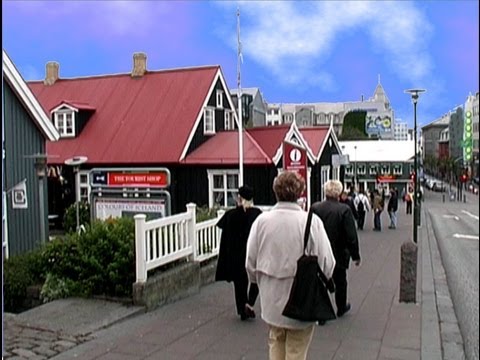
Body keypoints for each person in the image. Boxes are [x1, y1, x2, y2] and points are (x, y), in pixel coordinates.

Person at [246, 171, 335, 360]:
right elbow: (327, 262)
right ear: (300, 193)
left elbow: (250, 261)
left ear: (275, 192)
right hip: (302, 296)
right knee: (296, 348)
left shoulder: (261, 222)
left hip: (271, 296)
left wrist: (256, 281)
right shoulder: (311, 222)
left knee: (276, 341)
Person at [311, 180, 361, 321]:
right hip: (339, 252)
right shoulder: (344, 210)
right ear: (339, 193)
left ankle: (321, 311)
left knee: (320, 280)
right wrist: (355, 255)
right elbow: (351, 235)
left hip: (319, 250)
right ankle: (341, 307)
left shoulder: (315, 208)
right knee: (341, 281)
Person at [215, 185, 262, 321]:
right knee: (255, 279)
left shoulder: (231, 215)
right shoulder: (257, 215)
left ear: (240, 198)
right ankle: (250, 303)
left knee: (239, 282)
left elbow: (224, 234)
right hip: (253, 253)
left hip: (236, 254)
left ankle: (242, 308)